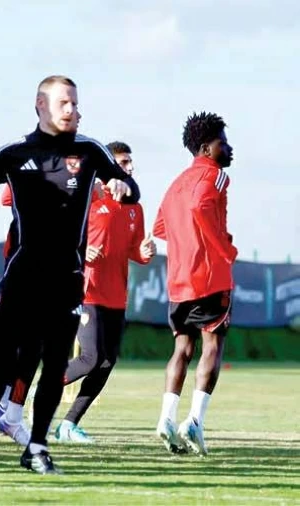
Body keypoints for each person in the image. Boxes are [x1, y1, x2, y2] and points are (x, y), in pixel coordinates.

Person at [0, 75, 139, 474]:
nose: (72, 110)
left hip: (67, 275)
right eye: (63, 103)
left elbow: (129, 186)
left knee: (54, 362)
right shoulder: (16, 152)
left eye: (75, 103)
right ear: (41, 105)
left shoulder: (90, 151)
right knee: (3, 353)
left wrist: (122, 185)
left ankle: (37, 447)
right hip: (22, 271)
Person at [53, 141, 156, 443]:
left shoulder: (135, 208)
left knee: (107, 362)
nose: (130, 168)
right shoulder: (89, 198)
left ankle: (68, 425)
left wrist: (144, 252)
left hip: (117, 296)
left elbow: (134, 250)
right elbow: (61, 238)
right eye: (123, 163)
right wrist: (82, 251)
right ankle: (37, 391)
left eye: (131, 162)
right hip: (88, 292)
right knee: (90, 358)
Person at [152, 112, 235, 456]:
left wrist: (186, 240)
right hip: (210, 276)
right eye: (222, 142)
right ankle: (195, 421)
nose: (228, 148)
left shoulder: (176, 183)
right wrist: (224, 247)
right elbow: (201, 207)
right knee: (212, 346)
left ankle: (166, 418)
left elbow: (159, 227)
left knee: (182, 349)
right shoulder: (215, 174)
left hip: (178, 280)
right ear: (205, 148)